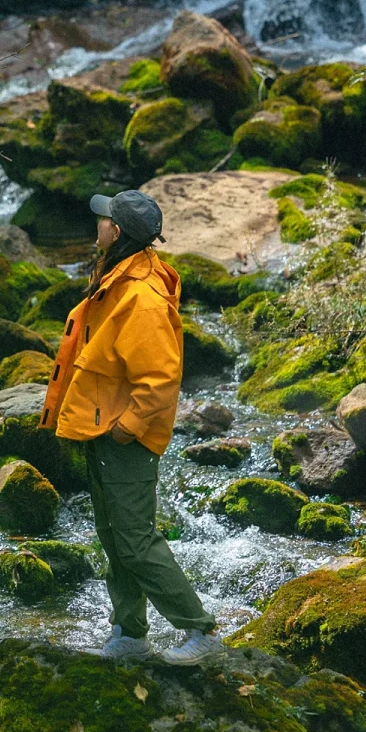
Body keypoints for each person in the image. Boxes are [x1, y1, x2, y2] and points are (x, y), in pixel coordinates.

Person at [39, 189, 221, 666]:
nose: (96, 224)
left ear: (116, 232)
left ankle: (199, 631)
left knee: (136, 540)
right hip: (103, 428)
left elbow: (161, 378)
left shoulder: (141, 296)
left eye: (104, 220)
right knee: (114, 536)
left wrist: (127, 427)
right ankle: (130, 632)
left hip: (123, 437)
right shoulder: (119, 277)